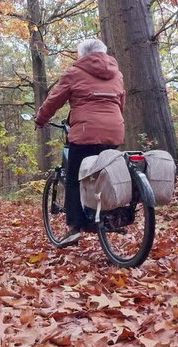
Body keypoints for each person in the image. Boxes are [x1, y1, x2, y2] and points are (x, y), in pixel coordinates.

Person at [34, 39, 125, 245]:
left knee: (75, 178)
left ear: (82, 55)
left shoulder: (75, 73)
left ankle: (75, 227)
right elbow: (121, 103)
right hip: (114, 129)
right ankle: (111, 218)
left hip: (85, 133)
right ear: (103, 53)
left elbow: (54, 99)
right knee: (106, 175)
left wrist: (40, 119)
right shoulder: (117, 74)